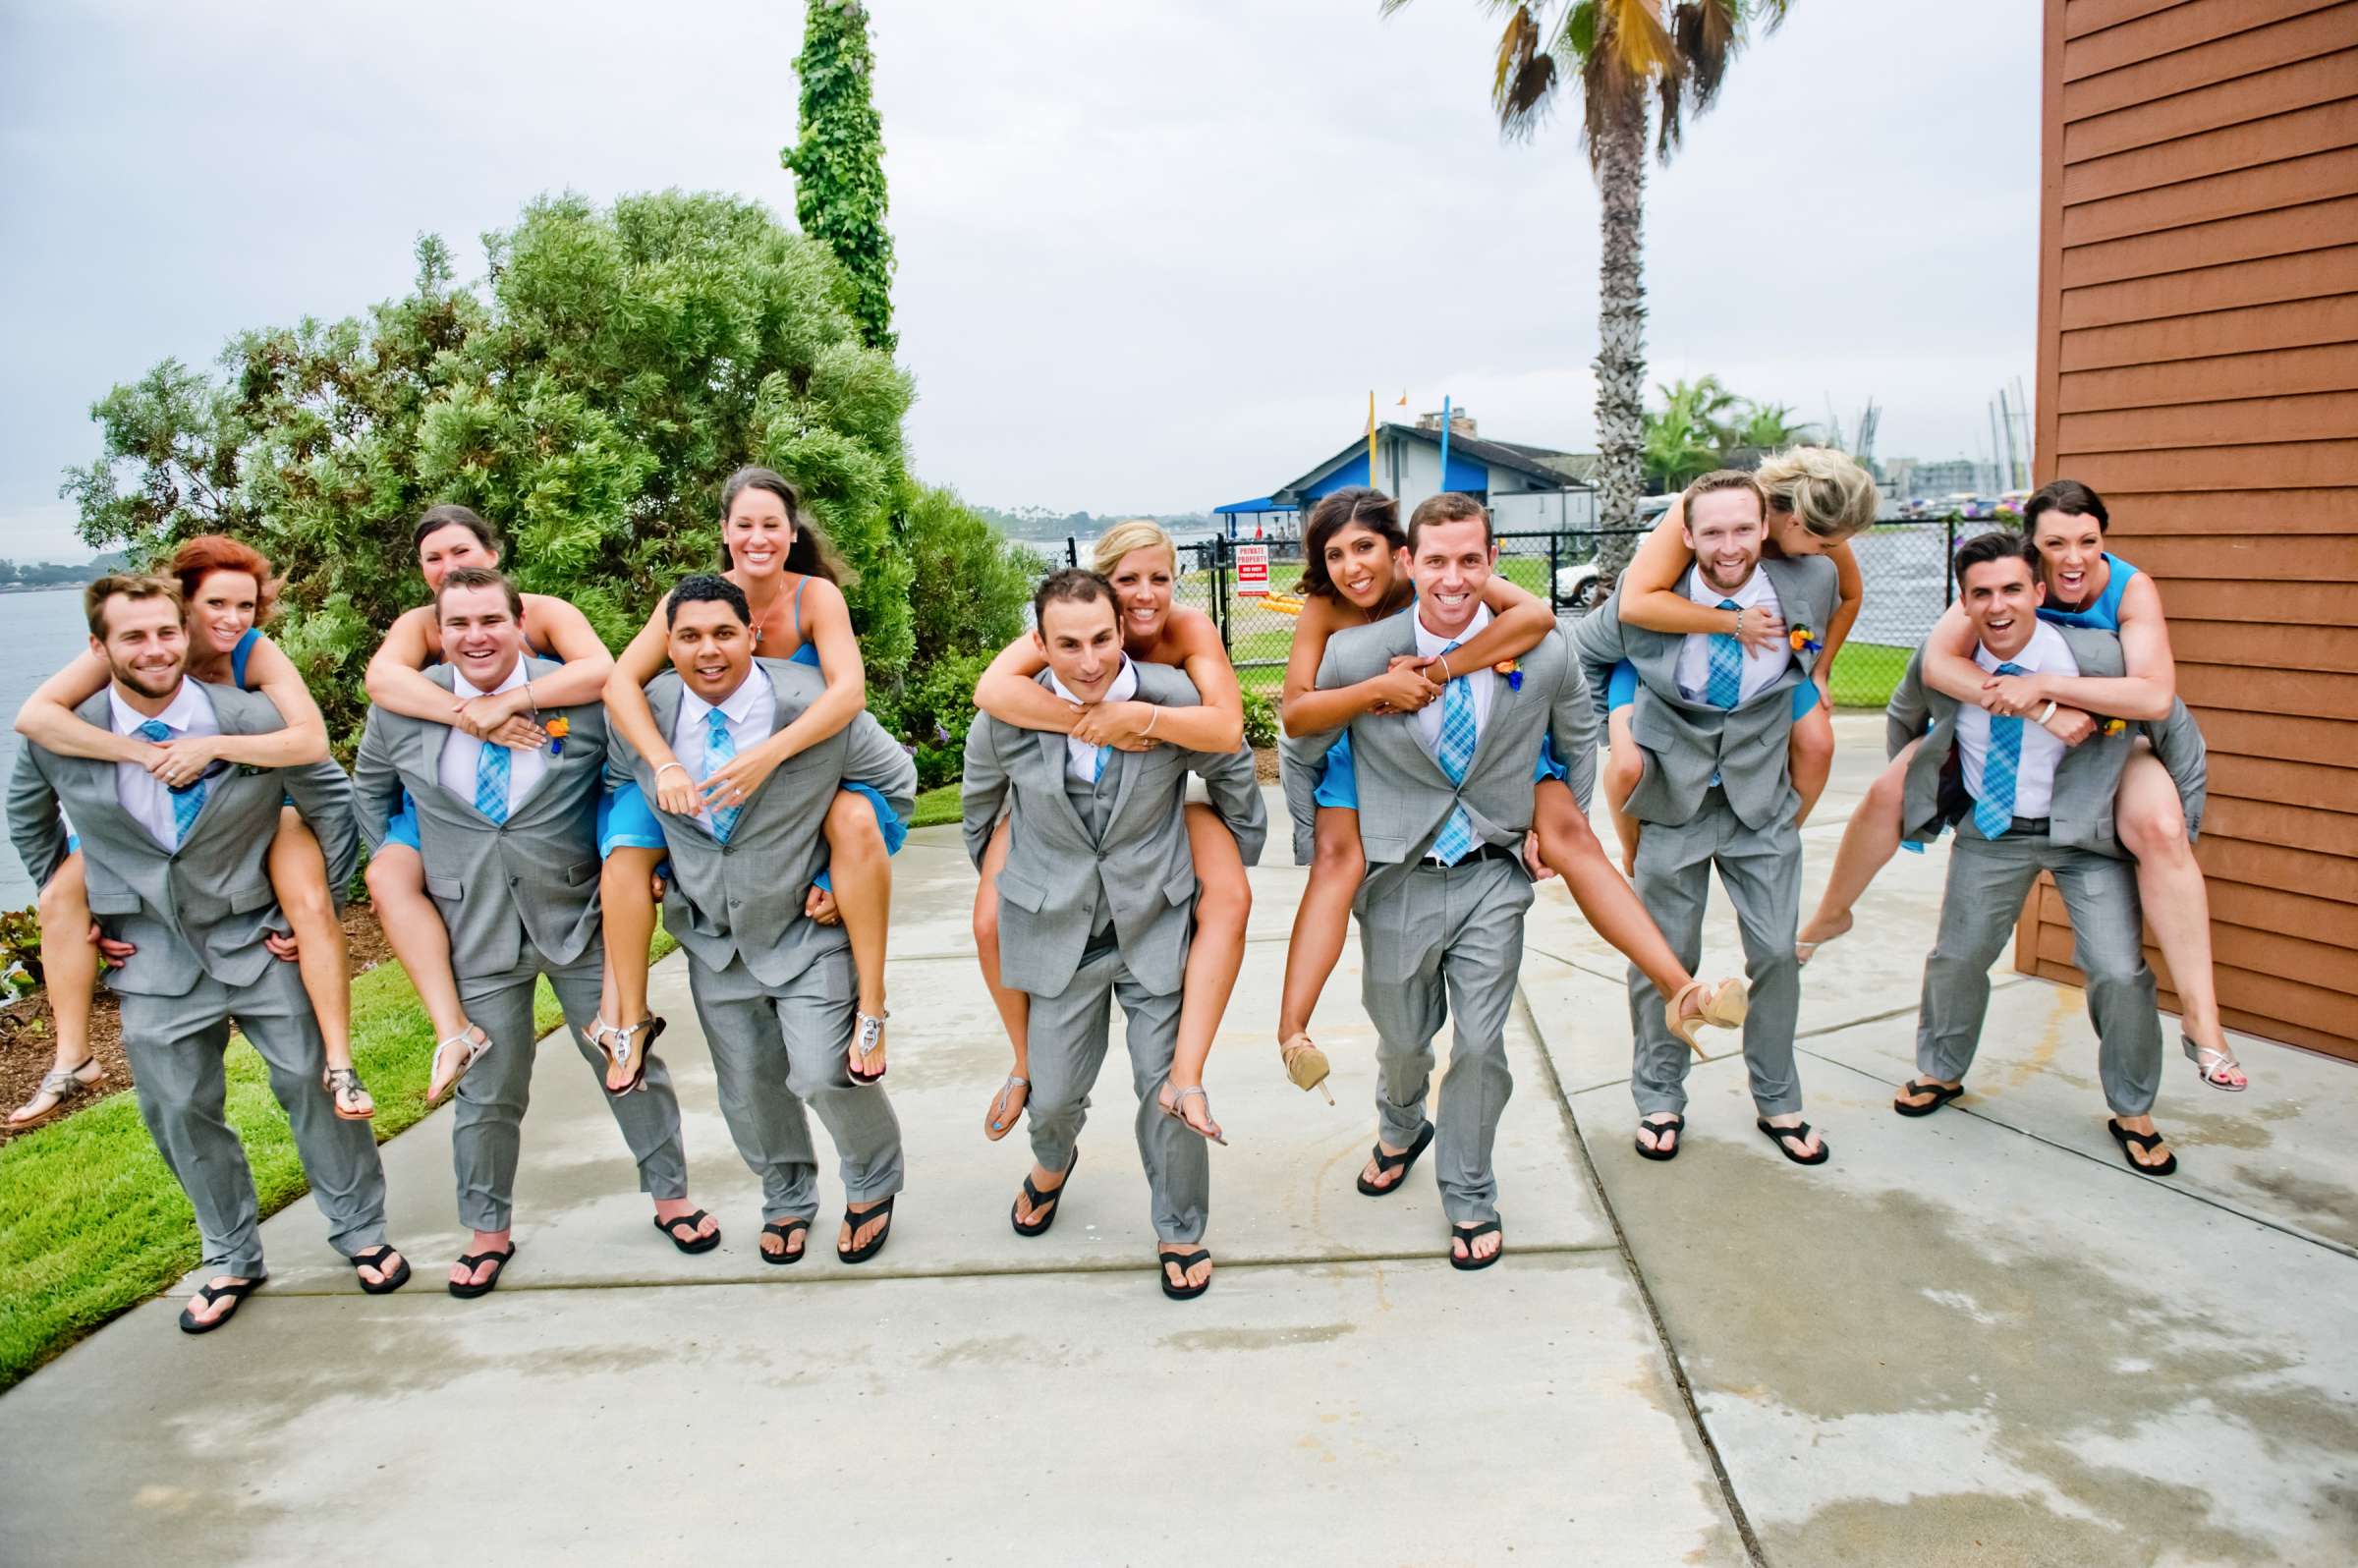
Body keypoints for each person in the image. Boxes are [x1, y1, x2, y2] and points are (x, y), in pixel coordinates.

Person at [8, 575, 409, 1331]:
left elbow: (328, 793)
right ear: (100, 648)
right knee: (180, 1113)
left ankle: (360, 1232)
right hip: (150, 955)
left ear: (182, 635)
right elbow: (31, 824)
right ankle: (229, 1257)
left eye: (165, 632)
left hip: (259, 938)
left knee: (313, 1081)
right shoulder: (64, 732)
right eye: (133, 637)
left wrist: (316, 896)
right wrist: (81, 911)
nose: (155, 649)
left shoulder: (251, 718)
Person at [1274, 487, 1746, 1095]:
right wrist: (1376, 692)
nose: (1351, 567)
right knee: (1338, 862)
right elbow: (1298, 713)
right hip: (1367, 748)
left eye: (1364, 547)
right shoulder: (1328, 613)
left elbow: (1537, 620)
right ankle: (1293, 1029)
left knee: (1573, 835)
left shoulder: (1451, 576)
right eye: (1334, 555)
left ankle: (1680, 989)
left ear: (1399, 554)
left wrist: (1445, 668)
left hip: (1490, 749)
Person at [1797, 477, 2248, 1092]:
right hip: (2004, 797)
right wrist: (2031, 715)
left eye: (2087, 541)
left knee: (2161, 831)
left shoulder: (2127, 588)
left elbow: (2154, 695)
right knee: (1888, 794)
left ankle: (2202, 1019)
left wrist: (2046, 690)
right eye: (2055, 543)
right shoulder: (1993, 586)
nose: (2073, 559)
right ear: (2034, 552)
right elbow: (1933, 667)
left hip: (2108, 746)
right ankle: (1831, 916)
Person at [352, 567, 707, 1296]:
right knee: (488, 1089)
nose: (475, 636)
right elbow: (371, 795)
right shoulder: (404, 709)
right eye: (458, 625)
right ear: (439, 633)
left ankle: (671, 1198)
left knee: (628, 1063)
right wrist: (401, 874)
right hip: (470, 926)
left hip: (577, 916)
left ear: (519, 622)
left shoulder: (575, 697)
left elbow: (624, 784)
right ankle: (487, 1232)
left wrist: (637, 863)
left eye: (490, 620)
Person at [1295, 493, 1597, 1270]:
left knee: (1482, 1042)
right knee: (1401, 1035)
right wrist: (1325, 835)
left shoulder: (1501, 617)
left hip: (1487, 861)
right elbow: (1301, 727)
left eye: (1470, 560)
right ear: (1412, 562)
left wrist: (1555, 822)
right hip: (1391, 847)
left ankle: (1469, 1188)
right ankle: (1401, 1123)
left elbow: (1549, 659)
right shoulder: (1347, 639)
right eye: (1437, 560)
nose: (1453, 575)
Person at [962, 568, 1266, 1300]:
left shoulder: (1171, 704)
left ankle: (1180, 1226)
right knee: (1056, 1096)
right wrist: (1024, 880)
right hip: (1059, 936)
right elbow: (979, 807)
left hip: (1155, 925)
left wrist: (1222, 846)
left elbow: (1233, 774)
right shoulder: (1007, 715)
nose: (1091, 659)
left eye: (1102, 638)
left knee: (1166, 1086)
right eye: (1068, 644)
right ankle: (1052, 1161)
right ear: (1040, 643)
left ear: (1119, 631)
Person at [606, 574, 915, 1264]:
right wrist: (641, 853)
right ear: (669, 643)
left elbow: (897, 783)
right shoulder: (645, 713)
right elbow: (615, 788)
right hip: (713, 936)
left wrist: (845, 874)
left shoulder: (812, 707)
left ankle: (871, 1180)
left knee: (821, 1071)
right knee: (747, 1085)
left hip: (807, 931)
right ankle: (786, 1197)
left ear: (752, 635)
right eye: (688, 636)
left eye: (722, 633)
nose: (707, 650)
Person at [11, 536, 371, 1126]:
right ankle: (72, 1056)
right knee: (58, 898)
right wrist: (136, 755)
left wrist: (211, 746)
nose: (232, 620)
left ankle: (339, 1061)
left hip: (248, 819)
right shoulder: (132, 645)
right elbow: (34, 721)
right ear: (182, 604)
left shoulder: (253, 655)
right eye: (217, 605)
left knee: (308, 898)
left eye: (246, 606)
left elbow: (310, 747)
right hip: (139, 848)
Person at [1888, 532, 2207, 1174]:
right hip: (1992, 831)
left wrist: (2175, 834)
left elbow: (2175, 732)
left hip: (2085, 838)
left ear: (2038, 591)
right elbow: (1905, 716)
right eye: (1982, 593)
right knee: (1957, 957)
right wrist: (1929, 798)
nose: (1998, 605)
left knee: (2120, 972)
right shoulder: (1946, 659)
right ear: (1965, 600)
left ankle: (2133, 1109)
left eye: (2011, 588)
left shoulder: (2094, 654)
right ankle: (1940, 1071)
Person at [599, 468, 903, 1099]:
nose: (757, 537)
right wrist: (664, 765)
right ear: (724, 531)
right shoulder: (699, 599)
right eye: (745, 525)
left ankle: (871, 1007)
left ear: (793, 534)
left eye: (772, 525)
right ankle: (625, 1014)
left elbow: (848, 692)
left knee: (853, 821)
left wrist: (771, 753)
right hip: (700, 770)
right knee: (625, 844)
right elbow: (619, 683)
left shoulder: (815, 596)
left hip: (799, 766)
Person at [1569, 471, 1840, 1167]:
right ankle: (1659, 1097)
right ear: (1687, 535)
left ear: (1766, 528)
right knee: (1668, 958)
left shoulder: (1806, 582)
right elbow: (1581, 659)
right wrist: (1617, 728)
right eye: (1713, 531)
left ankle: (1778, 1100)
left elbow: (1840, 610)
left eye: (1743, 529)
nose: (1729, 546)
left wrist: (1820, 678)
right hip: (1672, 801)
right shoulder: (1648, 602)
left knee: (1778, 952)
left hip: (1760, 803)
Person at [970, 521, 1252, 1142]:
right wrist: (1086, 720)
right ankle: (1025, 1065)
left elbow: (1227, 734)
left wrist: (1140, 716)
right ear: (1106, 583)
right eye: (1128, 580)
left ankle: (1187, 1074)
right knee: (990, 919)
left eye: (1160, 579)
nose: (1145, 593)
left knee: (1230, 895)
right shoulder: (1066, 623)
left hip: (1160, 797)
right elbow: (990, 692)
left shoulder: (1189, 632)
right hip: (1058, 822)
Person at [362, 504, 617, 1102]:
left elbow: (599, 670)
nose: (448, 565)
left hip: (539, 804)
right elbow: (382, 683)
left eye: (461, 552)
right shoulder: (420, 624)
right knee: (387, 873)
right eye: (434, 558)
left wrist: (512, 701)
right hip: (445, 810)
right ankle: (451, 1028)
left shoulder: (542, 612)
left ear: (493, 555)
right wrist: (475, 718)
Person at [1600, 448, 1877, 872]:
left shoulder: (1824, 530)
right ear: (1793, 522)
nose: (1828, 552)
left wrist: (1821, 671)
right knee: (1627, 766)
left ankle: (1776, 840)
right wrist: (1733, 623)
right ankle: (1636, 851)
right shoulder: (1715, 507)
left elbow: (1850, 596)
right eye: (1824, 545)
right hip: (1654, 652)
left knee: (1818, 743)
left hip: (1765, 653)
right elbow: (1636, 606)